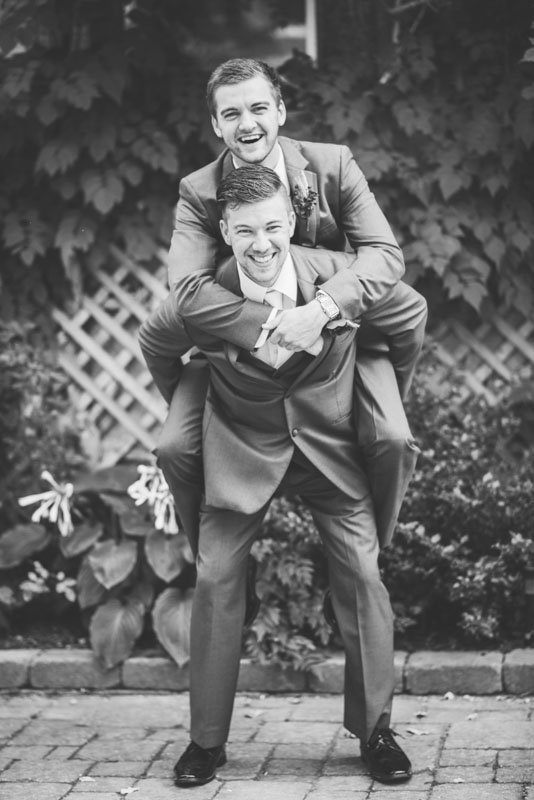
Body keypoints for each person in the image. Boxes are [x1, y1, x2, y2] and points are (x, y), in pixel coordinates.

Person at [139, 164, 414, 787]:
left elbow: (409, 316)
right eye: (244, 231)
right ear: (225, 233)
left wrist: (383, 392)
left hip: (328, 452)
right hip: (239, 449)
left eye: (270, 227)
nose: (260, 244)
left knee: (363, 575)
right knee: (215, 578)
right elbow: (155, 344)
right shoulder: (200, 297)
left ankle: (376, 732)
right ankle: (206, 742)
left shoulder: (340, 278)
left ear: (291, 221)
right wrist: (193, 398)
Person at [156, 58, 426, 570]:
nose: (247, 124)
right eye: (231, 114)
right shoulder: (199, 190)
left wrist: (321, 310)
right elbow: (187, 290)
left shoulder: (332, 165)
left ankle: (368, 560)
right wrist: (269, 326)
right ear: (215, 124)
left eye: (259, 108)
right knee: (174, 448)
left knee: (392, 437)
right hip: (236, 351)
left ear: (280, 110)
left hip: (338, 340)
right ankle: (219, 573)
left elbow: (385, 255)